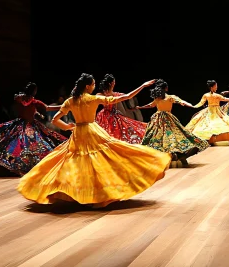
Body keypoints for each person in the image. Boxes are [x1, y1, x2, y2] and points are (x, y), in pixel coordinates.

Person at [17, 74, 170, 207]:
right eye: (94, 84)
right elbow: (126, 97)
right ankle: (98, 194)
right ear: (88, 86)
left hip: (79, 132)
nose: (95, 86)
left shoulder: (71, 101)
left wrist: (69, 127)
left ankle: (81, 193)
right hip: (92, 131)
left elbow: (56, 119)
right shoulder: (93, 99)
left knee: (78, 163)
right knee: (101, 160)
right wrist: (142, 85)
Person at [138, 79, 209, 168]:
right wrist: (190, 105)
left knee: (163, 137)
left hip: (160, 120)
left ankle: (175, 157)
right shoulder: (167, 97)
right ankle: (177, 157)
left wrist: (139, 107)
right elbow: (181, 101)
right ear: (166, 88)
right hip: (164, 120)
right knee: (172, 136)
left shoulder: (162, 98)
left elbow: (151, 105)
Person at [185, 80, 229, 145]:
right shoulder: (206, 95)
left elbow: (224, 98)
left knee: (220, 123)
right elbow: (201, 103)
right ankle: (210, 139)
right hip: (210, 111)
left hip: (217, 111)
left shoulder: (216, 95)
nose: (217, 87)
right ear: (211, 87)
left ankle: (218, 139)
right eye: (215, 86)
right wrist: (194, 106)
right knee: (211, 123)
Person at [94, 74, 148, 144]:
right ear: (111, 84)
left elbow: (129, 96)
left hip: (112, 115)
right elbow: (128, 96)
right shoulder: (101, 95)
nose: (114, 84)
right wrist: (143, 85)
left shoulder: (112, 94)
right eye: (114, 82)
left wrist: (143, 86)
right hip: (106, 117)